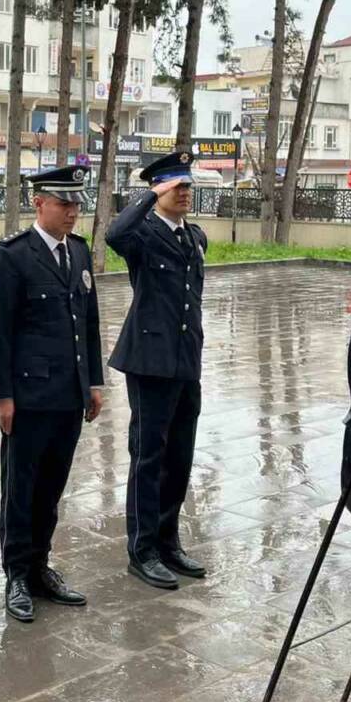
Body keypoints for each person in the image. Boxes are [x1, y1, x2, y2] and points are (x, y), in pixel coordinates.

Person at [0, 163, 104, 622]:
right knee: (21, 488)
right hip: (29, 398)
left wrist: (93, 381)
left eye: (77, 204)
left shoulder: (77, 252)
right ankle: (16, 573)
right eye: (64, 203)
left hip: (68, 396)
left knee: (52, 487)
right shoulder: (12, 256)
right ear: (39, 203)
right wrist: (2, 396)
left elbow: (88, 324)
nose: (73, 212)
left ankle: (39, 566)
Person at [106, 150, 208, 589]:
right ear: (159, 190)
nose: (184, 193)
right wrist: (150, 195)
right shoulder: (142, 235)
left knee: (179, 455)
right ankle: (142, 548)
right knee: (148, 456)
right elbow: (115, 232)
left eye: (187, 185)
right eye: (175, 186)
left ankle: (168, 539)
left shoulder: (194, 237)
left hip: (186, 359)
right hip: (149, 362)